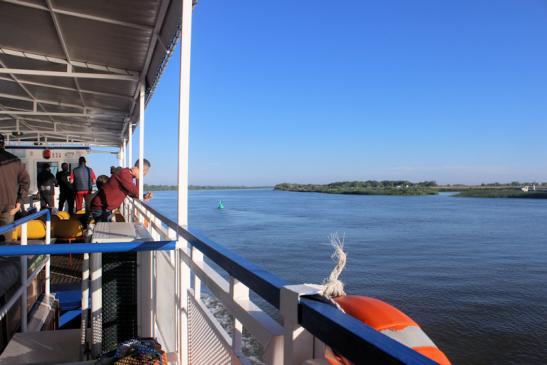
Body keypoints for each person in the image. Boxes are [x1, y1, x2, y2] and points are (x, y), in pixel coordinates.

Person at [0, 133, 30, 242]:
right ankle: (4, 257)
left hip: (8, 205)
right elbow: (25, 181)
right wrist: (19, 201)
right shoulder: (15, 161)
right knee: (6, 237)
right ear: (3, 144)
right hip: (9, 206)